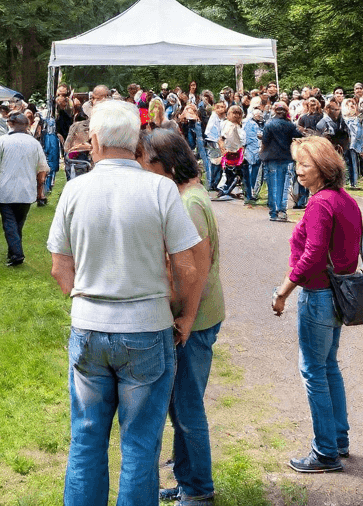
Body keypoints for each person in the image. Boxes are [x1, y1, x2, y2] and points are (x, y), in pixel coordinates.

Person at [46, 99, 201, 506]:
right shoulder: (161, 188)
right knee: (139, 444)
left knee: (86, 439)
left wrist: (91, 295)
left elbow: (60, 269)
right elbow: (186, 266)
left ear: (93, 140)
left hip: (90, 325)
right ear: (136, 142)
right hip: (146, 328)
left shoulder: (75, 189)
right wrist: (180, 312)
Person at [139, 129, 225, 505]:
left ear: (168, 165)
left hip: (197, 319)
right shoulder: (187, 195)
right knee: (180, 407)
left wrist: (185, 318)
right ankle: (187, 479)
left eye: (149, 164)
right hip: (196, 316)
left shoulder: (189, 203)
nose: (144, 171)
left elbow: (197, 269)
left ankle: (199, 490)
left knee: (188, 408)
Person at [271, 137, 362, 472]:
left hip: (321, 295)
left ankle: (325, 451)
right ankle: (337, 440)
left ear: (324, 168)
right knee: (328, 367)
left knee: (314, 370)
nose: (299, 171)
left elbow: (312, 255)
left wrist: (282, 292)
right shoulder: (344, 200)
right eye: (297, 164)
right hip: (338, 294)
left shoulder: (322, 203)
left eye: (305, 165)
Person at [0, 112, 49, 267]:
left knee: (9, 223)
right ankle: (14, 252)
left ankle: (16, 254)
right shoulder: (34, 143)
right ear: (27, 125)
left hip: (6, 188)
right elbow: (42, 166)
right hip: (26, 189)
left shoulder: (3, 140)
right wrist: (39, 185)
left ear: (10, 124)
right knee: (18, 224)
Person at [262, 102, 305, 222]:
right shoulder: (289, 125)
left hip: (271, 157)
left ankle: (273, 212)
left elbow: (265, 140)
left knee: (272, 184)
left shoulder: (269, 124)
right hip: (286, 157)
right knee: (284, 184)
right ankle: (282, 210)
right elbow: (298, 136)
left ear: (275, 111)